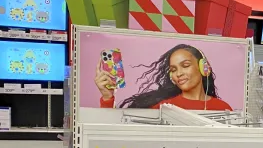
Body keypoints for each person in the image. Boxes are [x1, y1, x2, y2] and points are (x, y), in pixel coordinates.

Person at [96, 44, 233, 110]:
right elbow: (119, 137)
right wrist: (107, 98)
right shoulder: (163, 107)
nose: (178, 73)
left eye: (185, 65)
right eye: (173, 69)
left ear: (204, 67)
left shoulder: (224, 108)